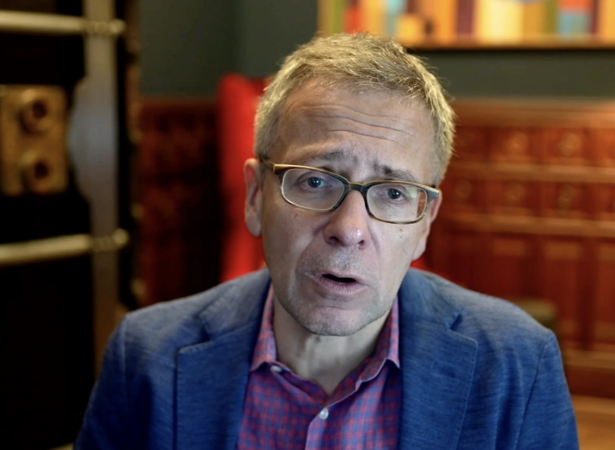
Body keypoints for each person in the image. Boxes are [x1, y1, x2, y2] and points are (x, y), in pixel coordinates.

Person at [76, 33, 578, 450]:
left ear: (425, 222)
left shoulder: (516, 364)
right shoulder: (145, 357)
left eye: (393, 193)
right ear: (256, 196)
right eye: (315, 181)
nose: (350, 228)